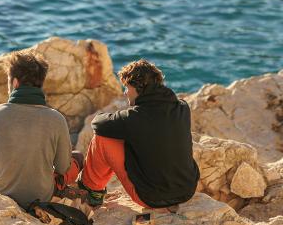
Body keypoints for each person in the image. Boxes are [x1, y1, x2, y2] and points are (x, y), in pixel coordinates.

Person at [77, 59, 200, 208]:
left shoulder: (134, 118)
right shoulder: (182, 107)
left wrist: (120, 118)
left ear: (137, 88)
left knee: (102, 139)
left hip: (151, 198)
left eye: (127, 87)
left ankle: (92, 190)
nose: (125, 92)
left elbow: (97, 124)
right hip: (187, 191)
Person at [0, 49, 82, 208]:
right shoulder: (56, 118)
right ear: (41, 82)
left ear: (14, 83)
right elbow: (62, 167)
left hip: (2, 195)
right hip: (41, 197)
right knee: (78, 157)